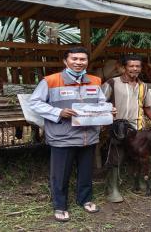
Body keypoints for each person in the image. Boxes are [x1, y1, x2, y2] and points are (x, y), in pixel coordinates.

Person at [29, 47, 105, 222]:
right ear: (66, 61)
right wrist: (57, 112)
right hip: (63, 136)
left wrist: (108, 110)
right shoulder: (51, 81)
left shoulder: (94, 80)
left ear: (87, 62)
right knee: (60, 174)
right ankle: (60, 205)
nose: (79, 62)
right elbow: (35, 103)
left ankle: (85, 199)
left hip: (88, 136)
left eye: (83, 59)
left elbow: (101, 101)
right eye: (75, 59)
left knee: (86, 171)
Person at [101, 54, 151, 202]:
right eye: (131, 66)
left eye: (137, 66)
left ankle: (139, 182)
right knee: (116, 157)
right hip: (118, 128)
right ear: (124, 67)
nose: (135, 69)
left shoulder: (143, 86)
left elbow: (147, 107)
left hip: (138, 128)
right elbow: (99, 103)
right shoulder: (112, 83)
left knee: (139, 156)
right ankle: (112, 189)